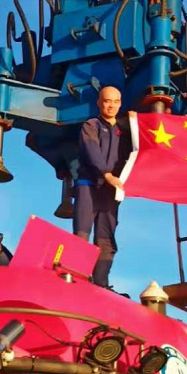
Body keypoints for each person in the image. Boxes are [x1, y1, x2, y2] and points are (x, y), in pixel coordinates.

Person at [74, 86, 128, 288]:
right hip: (88, 186)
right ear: (99, 103)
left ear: (120, 104)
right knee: (82, 234)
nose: (111, 105)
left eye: (115, 101)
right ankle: (77, 277)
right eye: (107, 101)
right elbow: (92, 151)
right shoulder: (91, 125)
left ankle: (101, 284)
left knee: (106, 237)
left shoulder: (125, 130)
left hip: (110, 191)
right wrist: (106, 174)